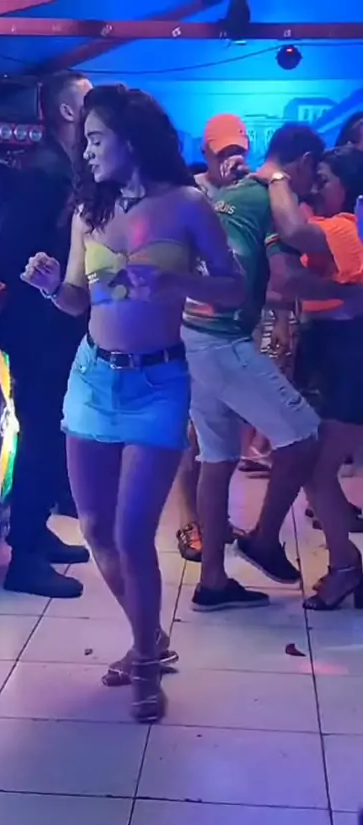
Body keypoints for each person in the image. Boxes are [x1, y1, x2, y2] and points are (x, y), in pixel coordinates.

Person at [23, 84, 245, 721]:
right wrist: (50, 286)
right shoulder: (87, 211)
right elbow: (78, 299)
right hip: (93, 379)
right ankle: (149, 638)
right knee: (95, 529)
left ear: (131, 138)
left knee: (131, 534)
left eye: (96, 139)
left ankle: (146, 663)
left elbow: (234, 289)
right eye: (85, 141)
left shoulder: (187, 205)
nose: (87, 151)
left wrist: (176, 280)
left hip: (158, 383)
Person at [182, 123, 361, 612]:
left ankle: (213, 582)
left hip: (195, 331)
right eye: (313, 176)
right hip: (224, 338)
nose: (313, 188)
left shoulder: (234, 191)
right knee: (303, 438)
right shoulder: (271, 201)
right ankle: (264, 541)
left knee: (217, 459)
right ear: (302, 163)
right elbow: (286, 276)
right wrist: (345, 295)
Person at [0, 70, 93, 599]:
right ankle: (23, 554)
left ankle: (36, 531)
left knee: (52, 435)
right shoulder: (44, 171)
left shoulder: (65, 167)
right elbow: (5, 254)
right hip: (39, 329)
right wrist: (48, 284)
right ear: (68, 111)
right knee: (40, 436)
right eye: (88, 98)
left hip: (56, 324)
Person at [259, 145, 363, 609]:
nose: (317, 187)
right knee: (314, 468)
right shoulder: (332, 224)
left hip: (349, 357)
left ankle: (346, 568)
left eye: (325, 179)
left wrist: (277, 178)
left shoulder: (346, 227)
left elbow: (294, 232)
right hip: (328, 353)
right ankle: (347, 565)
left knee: (318, 469)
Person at [175, 117, 250, 562]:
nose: (232, 160)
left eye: (237, 151)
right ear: (206, 153)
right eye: (223, 153)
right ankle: (191, 520)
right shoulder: (191, 195)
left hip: (232, 327)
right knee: (194, 431)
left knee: (224, 434)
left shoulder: (249, 195)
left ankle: (214, 517)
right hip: (190, 325)